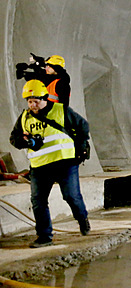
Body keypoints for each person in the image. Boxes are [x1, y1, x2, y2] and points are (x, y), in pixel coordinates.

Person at [9, 80, 90, 248]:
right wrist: (25, 141)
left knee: (71, 196)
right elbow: (14, 138)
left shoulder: (61, 111)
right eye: (29, 101)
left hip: (65, 163)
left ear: (45, 98)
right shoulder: (25, 117)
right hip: (39, 167)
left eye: (36, 100)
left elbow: (83, 127)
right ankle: (44, 236)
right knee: (38, 201)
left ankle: (83, 220)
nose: (32, 104)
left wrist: (81, 148)